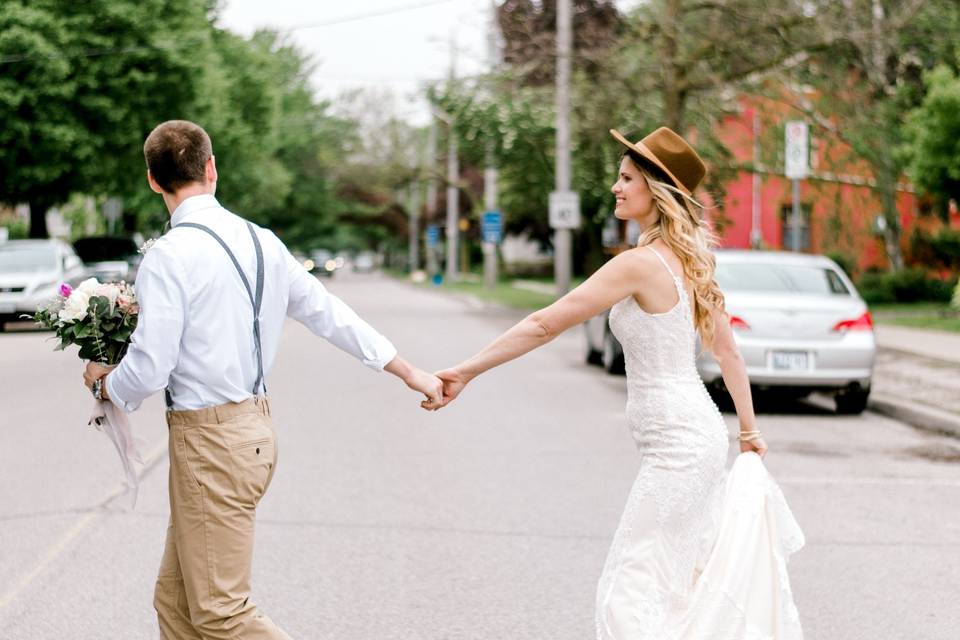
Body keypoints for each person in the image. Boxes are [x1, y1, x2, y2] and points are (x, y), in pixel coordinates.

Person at [434, 127, 804, 639]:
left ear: (658, 192)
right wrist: (747, 431)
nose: (615, 186)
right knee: (670, 584)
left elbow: (546, 322)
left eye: (627, 178)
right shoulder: (689, 263)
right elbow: (729, 352)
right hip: (694, 438)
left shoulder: (637, 266)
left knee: (631, 587)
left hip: (680, 447)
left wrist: (467, 369)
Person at [82, 120, 443, 639]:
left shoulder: (168, 256)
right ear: (211, 168)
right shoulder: (263, 241)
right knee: (177, 602)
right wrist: (407, 370)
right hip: (252, 433)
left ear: (153, 181)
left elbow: (150, 366)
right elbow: (327, 312)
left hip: (211, 443)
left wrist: (104, 385)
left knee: (221, 613)